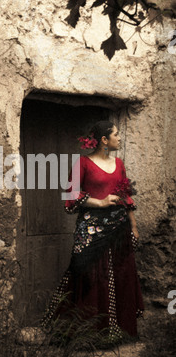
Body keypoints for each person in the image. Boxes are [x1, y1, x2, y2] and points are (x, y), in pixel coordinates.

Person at [41, 121, 144, 344]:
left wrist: (133, 226)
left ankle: (119, 332)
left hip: (119, 231)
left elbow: (126, 196)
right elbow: (70, 195)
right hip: (91, 231)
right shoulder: (83, 163)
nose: (119, 138)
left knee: (121, 275)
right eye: (116, 134)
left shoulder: (119, 163)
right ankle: (87, 334)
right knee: (89, 276)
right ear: (104, 140)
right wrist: (100, 202)